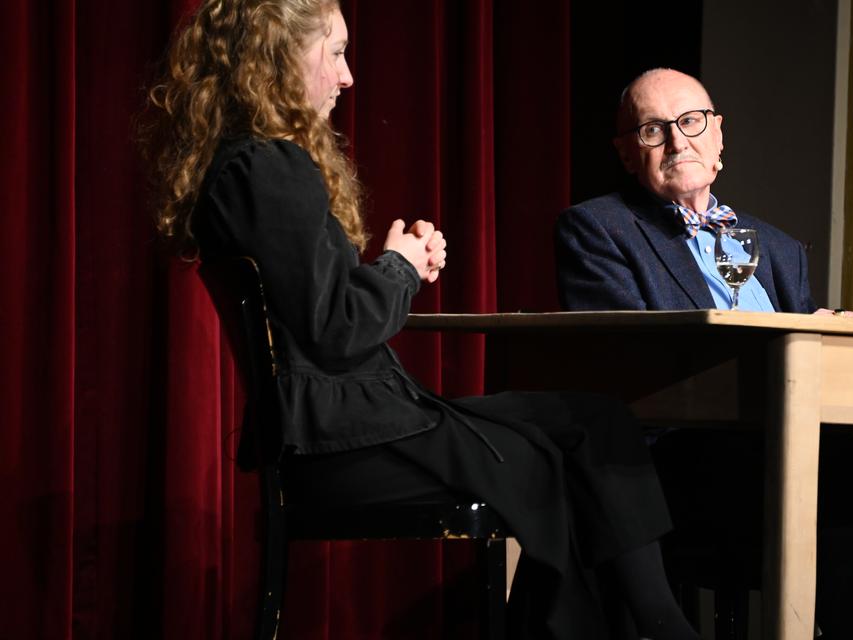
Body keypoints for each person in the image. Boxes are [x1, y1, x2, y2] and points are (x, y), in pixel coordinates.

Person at [140, 5, 701, 639]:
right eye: (336, 52)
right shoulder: (269, 166)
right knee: (555, 456)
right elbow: (336, 328)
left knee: (593, 423)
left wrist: (390, 267)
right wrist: (400, 269)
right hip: (344, 440)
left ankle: (646, 624)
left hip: (347, 424)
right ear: (278, 55)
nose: (348, 77)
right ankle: (656, 626)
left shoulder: (246, 166)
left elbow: (317, 311)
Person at [554, 68, 853, 640]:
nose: (679, 140)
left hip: (806, 455)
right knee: (841, 516)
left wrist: (836, 342)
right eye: (653, 130)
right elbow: (635, 359)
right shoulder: (599, 229)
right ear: (628, 154)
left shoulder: (774, 246)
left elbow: (808, 375)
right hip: (681, 466)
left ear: (718, 135)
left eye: (690, 121)